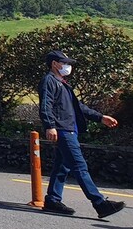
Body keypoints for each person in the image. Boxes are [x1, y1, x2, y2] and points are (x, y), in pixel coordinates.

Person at [39, 50, 125, 219]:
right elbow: (45, 105)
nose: (68, 66)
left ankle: (53, 200)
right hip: (63, 130)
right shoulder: (49, 81)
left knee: (62, 166)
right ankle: (100, 203)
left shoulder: (62, 83)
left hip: (68, 129)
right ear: (54, 64)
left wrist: (100, 118)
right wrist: (50, 126)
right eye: (64, 62)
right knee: (79, 166)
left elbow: (79, 107)